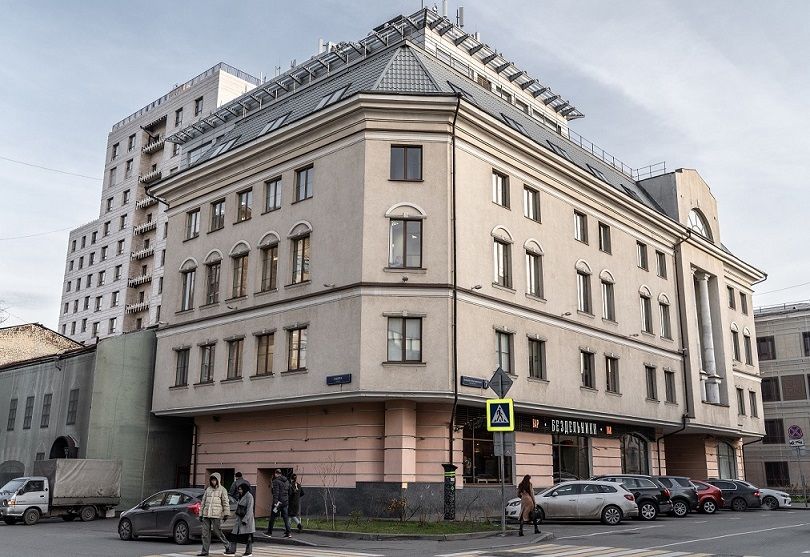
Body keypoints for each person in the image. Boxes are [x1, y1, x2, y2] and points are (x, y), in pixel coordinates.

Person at [198, 472, 230, 556]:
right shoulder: (208, 489)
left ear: (218, 480)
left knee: (217, 532)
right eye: (212, 480)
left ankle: (227, 545)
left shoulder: (222, 490)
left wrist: (226, 513)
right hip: (206, 514)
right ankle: (205, 551)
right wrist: (200, 514)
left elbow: (225, 502)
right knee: (205, 534)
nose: (213, 482)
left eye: (214, 480)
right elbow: (203, 502)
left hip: (216, 515)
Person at [225, 483, 255, 557]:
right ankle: (232, 550)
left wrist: (245, 520)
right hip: (239, 519)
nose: (239, 491)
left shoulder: (249, 496)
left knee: (248, 537)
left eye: (241, 489)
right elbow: (238, 507)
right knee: (233, 536)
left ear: (244, 489)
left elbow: (250, 510)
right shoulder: (240, 496)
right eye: (239, 489)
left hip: (246, 521)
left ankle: (248, 552)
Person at [265, 469, 291, 538]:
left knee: (273, 517)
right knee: (285, 517)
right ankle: (288, 533)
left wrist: (275, 502)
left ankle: (269, 532)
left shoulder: (276, 481)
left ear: (276, 474)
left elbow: (275, 493)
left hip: (278, 503)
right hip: (285, 502)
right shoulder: (287, 481)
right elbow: (290, 492)